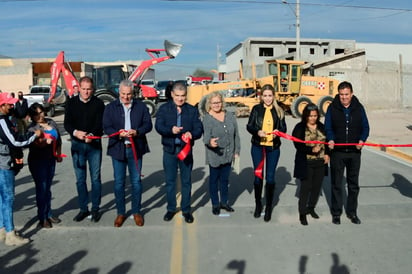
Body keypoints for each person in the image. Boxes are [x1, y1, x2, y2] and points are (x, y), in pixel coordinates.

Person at [103, 80, 152, 227]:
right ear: (119, 92)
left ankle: (136, 211)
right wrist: (118, 134)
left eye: (129, 94)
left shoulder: (141, 106)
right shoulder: (111, 107)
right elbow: (106, 127)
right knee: (119, 183)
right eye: (123, 94)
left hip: (135, 148)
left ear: (133, 93)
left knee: (136, 182)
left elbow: (148, 124)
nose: (126, 97)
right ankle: (121, 213)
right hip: (118, 148)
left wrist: (137, 132)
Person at [155, 82, 203, 224]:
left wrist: (191, 134)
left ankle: (186, 210)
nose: (180, 99)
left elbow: (199, 129)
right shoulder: (164, 109)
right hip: (169, 151)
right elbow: (158, 126)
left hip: (185, 151)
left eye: (183, 96)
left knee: (186, 181)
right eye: (177, 96)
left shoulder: (192, 110)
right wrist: (171, 130)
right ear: (172, 94)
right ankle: (171, 208)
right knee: (170, 182)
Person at [325, 81, 369, 225]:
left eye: (347, 94)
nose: (344, 97)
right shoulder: (332, 108)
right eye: (341, 94)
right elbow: (328, 127)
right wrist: (330, 139)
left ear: (352, 94)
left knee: (353, 184)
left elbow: (366, 127)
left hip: (354, 152)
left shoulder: (359, 108)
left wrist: (362, 140)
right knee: (337, 184)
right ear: (338, 94)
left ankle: (352, 212)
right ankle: (336, 213)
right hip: (337, 152)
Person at [0, 92, 42, 246]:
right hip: (3, 163)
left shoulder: (6, 118)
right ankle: (10, 233)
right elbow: (14, 141)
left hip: (3, 162)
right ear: (2, 105)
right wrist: (34, 136)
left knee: (2, 198)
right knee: (8, 198)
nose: (12, 106)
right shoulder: (2, 121)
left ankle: (3, 229)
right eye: (9, 104)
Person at [64, 76, 105, 223]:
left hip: (94, 146)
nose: (86, 92)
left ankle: (95, 209)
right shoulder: (71, 103)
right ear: (78, 88)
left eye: (89, 89)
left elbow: (101, 124)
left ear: (93, 89)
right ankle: (83, 208)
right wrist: (76, 132)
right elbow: (67, 123)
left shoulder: (99, 104)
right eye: (84, 89)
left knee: (95, 178)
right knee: (80, 179)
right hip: (77, 146)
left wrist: (92, 135)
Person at [246, 84, 286, 222]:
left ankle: (269, 207)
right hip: (258, 146)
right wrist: (257, 131)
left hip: (273, 148)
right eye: (265, 96)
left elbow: (284, 128)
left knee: (270, 178)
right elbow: (249, 126)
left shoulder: (279, 110)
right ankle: (258, 204)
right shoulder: (256, 109)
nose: (268, 98)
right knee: (258, 176)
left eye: (270, 95)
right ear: (261, 96)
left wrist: (278, 133)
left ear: (273, 96)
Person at [202, 92, 240, 215]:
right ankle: (215, 204)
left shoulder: (230, 115)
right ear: (209, 104)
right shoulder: (207, 118)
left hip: (228, 154)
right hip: (215, 155)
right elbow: (205, 137)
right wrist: (209, 142)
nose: (216, 105)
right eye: (214, 103)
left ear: (222, 102)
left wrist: (237, 151)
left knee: (225, 180)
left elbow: (236, 135)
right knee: (214, 180)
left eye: (218, 102)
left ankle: (224, 202)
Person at [292, 103, 329, 226]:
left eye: (315, 115)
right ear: (306, 116)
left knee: (316, 187)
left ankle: (311, 208)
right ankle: (302, 213)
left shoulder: (322, 127)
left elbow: (328, 142)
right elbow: (297, 145)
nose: (313, 118)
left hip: (320, 162)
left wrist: (328, 154)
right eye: (310, 116)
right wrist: (310, 150)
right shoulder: (300, 127)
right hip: (306, 162)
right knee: (306, 188)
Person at [27, 103, 63, 228]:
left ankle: (49, 213)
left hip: (50, 159)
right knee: (41, 189)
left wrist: (58, 154)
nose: (40, 115)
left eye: (41, 112)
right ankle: (42, 217)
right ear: (32, 116)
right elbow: (36, 144)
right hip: (38, 161)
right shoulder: (32, 128)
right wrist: (45, 142)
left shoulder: (51, 122)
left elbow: (59, 140)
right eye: (37, 113)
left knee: (47, 188)